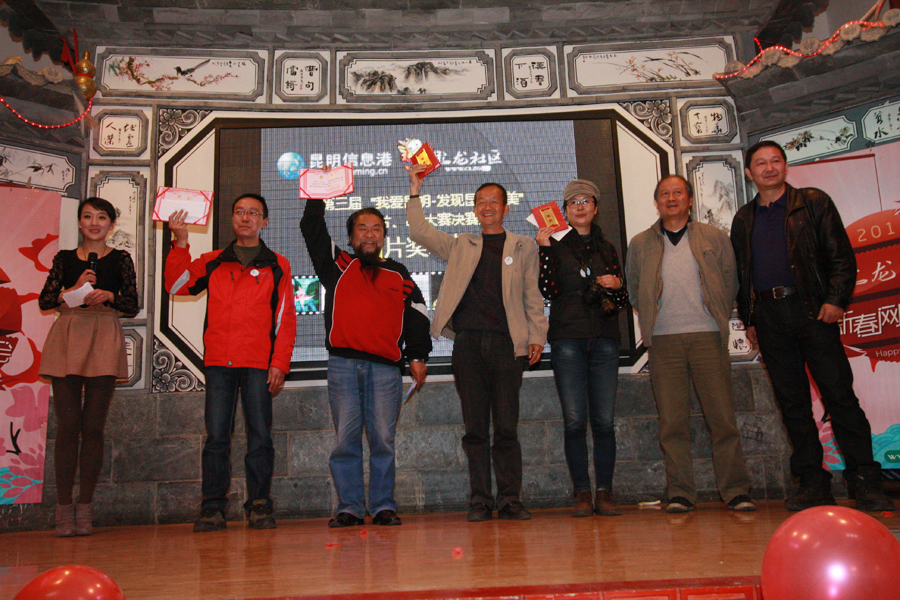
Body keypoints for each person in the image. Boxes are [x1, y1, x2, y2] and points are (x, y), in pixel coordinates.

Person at [732, 141, 894, 512]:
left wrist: (836, 300)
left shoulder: (814, 202)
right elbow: (742, 274)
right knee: (793, 405)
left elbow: (841, 257)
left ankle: (866, 482)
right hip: (769, 318)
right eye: (761, 163)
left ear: (785, 166)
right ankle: (812, 483)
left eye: (776, 161)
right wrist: (750, 318)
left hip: (813, 312)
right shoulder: (743, 219)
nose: (769, 168)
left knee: (840, 397)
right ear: (749, 172)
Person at [406, 164, 548, 522]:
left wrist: (537, 335)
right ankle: (480, 500)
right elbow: (420, 232)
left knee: (506, 427)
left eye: (494, 202)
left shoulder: (523, 246)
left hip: (507, 345)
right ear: (473, 209)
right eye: (481, 202)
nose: (487, 207)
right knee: (474, 429)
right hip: (467, 345)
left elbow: (532, 295)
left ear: (506, 208)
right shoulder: (460, 245)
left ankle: (510, 499)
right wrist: (415, 191)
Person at [165, 193, 296, 531]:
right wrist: (181, 243)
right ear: (232, 219)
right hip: (219, 363)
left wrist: (280, 362)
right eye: (239, 212)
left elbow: (285, 318)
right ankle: (212, 507)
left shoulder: (278, 264)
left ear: (264, 222)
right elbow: (176, 285)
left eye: (253, 213)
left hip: (258, 362)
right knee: (217, 438)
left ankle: (260, 503)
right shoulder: (212, 261)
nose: (245, 217)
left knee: (260, 436)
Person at [626, 175, 755, 513]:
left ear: (690, 199)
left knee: (722, 418)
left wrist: (715, 313)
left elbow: (730, 280)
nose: (671, 199)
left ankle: (736, 490)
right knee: (672, 423)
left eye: (678, 193)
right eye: (664, 194)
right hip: (663, 341)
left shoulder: (713, 237)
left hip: (707, 336)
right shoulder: (641, 243)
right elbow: (634, 288)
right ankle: (681, 492)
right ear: (657, 202)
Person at [300, 199, 431, 528]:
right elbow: (312, 229)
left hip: (386, 368)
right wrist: (317, 194)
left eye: (376, 229)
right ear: (351, 237)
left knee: (383, 440)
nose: (370, 235)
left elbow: (418, 315)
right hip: (343, 366)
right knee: (346, 440)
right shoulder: (338, 265)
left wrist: (417, 356)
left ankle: (384, 506)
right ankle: (350, 508)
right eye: (362, 229)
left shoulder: (399, 273)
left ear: (384, 237)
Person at [39, 197, 139, 537]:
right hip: (69, 333)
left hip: (103, 334)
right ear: (80, 223)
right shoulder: (65, 258)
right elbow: (45, 300)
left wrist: (108, 295)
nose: (94, 223)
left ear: (111, 224)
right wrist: (71, 290)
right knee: (68, 426)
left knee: (93, 426)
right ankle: (63, 507)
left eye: (101, 217)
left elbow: (131, 303)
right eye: (87, 216)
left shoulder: (120, 259)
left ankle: (85, 506)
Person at [536, 180, 628, 517]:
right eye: (573, 202)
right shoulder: (555, 244)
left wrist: (617, 284)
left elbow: (621, 301)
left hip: (604, 338)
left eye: (586, 200)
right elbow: (547, 289)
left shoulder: (607, 247)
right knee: (574, 421)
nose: (579, 206)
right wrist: (544, 250)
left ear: (596, 207)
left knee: (603, 420)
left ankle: (605, 492)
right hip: (567, 339)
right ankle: (581, 493)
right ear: (564, 210)